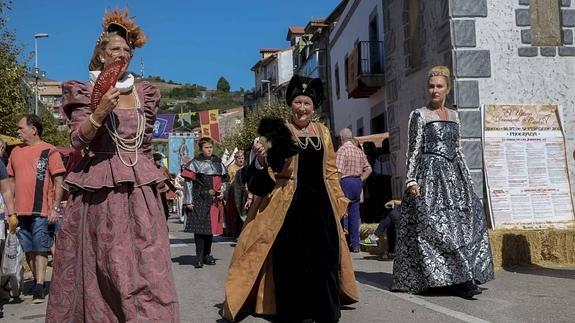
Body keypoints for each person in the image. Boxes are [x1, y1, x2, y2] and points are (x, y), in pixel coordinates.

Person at [46, 9, 179, 321]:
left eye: (127, 50)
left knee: (148, 268)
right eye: (115, 49)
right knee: (109, 266)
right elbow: (79, 141)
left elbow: (144, 147)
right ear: (101, 54)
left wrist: (157, 176)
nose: (122, 55)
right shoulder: (85, 89)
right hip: (101, 190)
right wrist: (100, 111)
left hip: (140, 193)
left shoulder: (144, 92)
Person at [224, 76, 359, 322]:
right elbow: (265, 173)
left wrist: (339, 201)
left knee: (324, 257)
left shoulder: (324, 132)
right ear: (290, 104)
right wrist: (260, 158)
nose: (302, 108)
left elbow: (330, 171)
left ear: (314, 107)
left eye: (307, 103)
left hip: (320, 205)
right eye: (298, 102)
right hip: (287, 204)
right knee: (290, 259)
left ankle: (324, 308)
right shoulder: (278, 131)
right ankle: (293, 309)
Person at [392, 65, 494, 299]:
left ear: (448, 88)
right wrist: (411, 180)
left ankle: (464, 275)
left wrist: (468, 182)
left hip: (455, 176)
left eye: (439, 86)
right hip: (430, 176)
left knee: (469, 220)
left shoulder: (455, 115)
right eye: (431, 86)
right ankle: (449, 279)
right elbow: (414, 149)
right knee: (437, 227)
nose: (434, 90)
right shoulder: (420, 115)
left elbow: (459, 150)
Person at [6, 115, 65, 304]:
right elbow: (11, 181)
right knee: (28, 249)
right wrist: (10, 209)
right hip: (20, 210)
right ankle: (37, 280)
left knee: (40, 247)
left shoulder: (50, 150)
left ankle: (39, 285)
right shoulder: (15, 152)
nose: (18, 131)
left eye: (21, 128)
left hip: (42, 209)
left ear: (34, 130)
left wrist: (55, 207)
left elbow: (58, 180)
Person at [181, 137, 227, 268]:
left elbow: (222, 181)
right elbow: (188, 184)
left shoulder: (218, 162)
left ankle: (207, 255)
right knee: (200, 230)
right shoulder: (195, 163)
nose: (209, 150)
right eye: (206, 147)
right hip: (199, 199)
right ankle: (199, 257)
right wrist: (188, 201)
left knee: (210, 230)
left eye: (211, 147)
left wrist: (222, 192)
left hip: (214, 201)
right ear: (201, 149)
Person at [336, 128, 372, 253]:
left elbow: (339, 171)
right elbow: (369, 169)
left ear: (341, 139)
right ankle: (355, 244)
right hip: (357, 182)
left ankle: (343, 243)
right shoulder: (359, 151)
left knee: (341, 212)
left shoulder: (341, 150)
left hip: (345, 182)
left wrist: (336, 187)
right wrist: (360, 179)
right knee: (354, 214)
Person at [224, 150, 250, 238]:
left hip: (245, 191)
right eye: (239, 158)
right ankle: (234, 231)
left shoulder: (247, 168)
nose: (241, 160)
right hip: (234, 190)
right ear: (235, 159)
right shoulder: (232, 168)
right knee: (234, 211)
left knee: (244, 210)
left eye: (242, 158)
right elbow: (232, 179)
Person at [153, 152, 177, 220]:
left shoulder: (163, 169)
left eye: (160, 159)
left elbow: (168, 181)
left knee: (165, 209)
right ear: (154, 160)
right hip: (153, 193)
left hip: (162, 192)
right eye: (158, 159)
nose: (160, 161)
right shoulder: (150, 169)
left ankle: (164, 223)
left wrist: (175, 190)